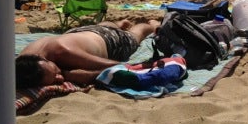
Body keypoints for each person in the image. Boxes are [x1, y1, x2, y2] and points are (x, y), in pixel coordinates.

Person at [15, 19, 160, 88]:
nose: (59, 77)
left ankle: (151, 24)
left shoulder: (65, 53)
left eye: (55, 72)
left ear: (45, 59)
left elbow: (115, 66)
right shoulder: (24, 61)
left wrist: (71, 75)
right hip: (77, 34)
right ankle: (115, 24)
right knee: (103, 27)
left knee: (136, 35)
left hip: (109, 41)